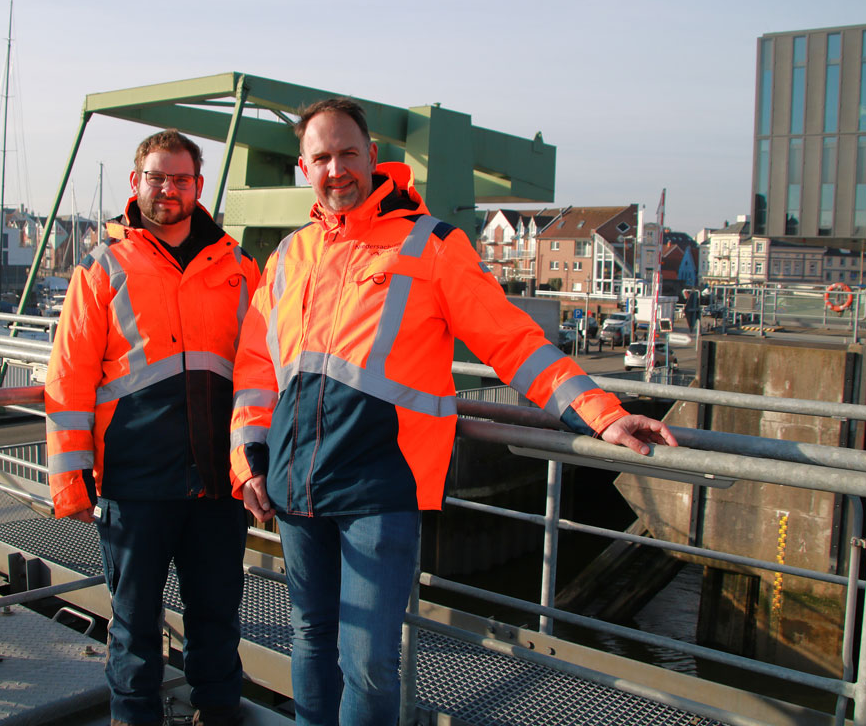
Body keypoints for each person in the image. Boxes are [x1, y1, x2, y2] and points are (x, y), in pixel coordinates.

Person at [229, 98, 677, 725]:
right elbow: (255, 371)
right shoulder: (287, 258)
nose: (336, 169)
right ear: (305, 168)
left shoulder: (432, 245)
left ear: (372, 158)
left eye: (348, 153)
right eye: (322, 157)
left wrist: (599, 410)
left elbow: (511, 339)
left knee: (367, 662)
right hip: (294, 485)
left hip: (379, 486)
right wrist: (248, 462)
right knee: (311, 639)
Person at [45, 129, 260, 726]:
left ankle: (218, 715)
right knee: (134, 625)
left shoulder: (239, 267)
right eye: (157, 178)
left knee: (217, 618)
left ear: (198, 185)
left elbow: (262, 367)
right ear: (135, 183)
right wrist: (71, 480)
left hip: (217, 480)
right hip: (134, 481)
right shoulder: (103, 267)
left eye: (182, 179)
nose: (169, 189)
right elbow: (68, 377)